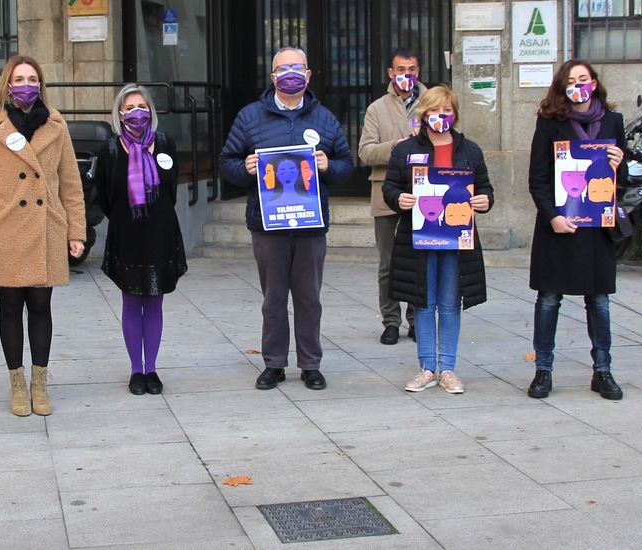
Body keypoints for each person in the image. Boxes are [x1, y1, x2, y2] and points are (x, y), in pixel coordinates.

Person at [219, 47, 354, 391]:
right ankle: (274, 364)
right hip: (268, 224)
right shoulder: (250, 117)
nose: (290, 73)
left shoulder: (324, 118)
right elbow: (227, 162)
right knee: (274, 298)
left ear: (308, 75)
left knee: (309, 298)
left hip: (310, 224)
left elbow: (346, 165)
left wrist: (329, 166)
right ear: (273, 77)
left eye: (297, 67)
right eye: (283, 68)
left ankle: (311, 364)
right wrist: (245, 169)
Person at [0, 55, 88, 416]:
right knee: (10, 307)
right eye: (19, 78)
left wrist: (75, 231)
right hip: (4, 228)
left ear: (41, 84)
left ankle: (40, 382)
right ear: (7, 83)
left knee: (41, 306)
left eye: (33, 78)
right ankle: (17, 384)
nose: (26, 84)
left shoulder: (56, 126)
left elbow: (70, 184)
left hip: (46, 225)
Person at [525, 59, 628, 401]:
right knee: (549, 299)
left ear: (595, 83)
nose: (578, 85)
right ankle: (543, 369)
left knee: (599, 301)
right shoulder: (550, 121)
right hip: (559, 227)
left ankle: (603, 371)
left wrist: (618, 164)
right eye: (571, 81)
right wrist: (552, 215)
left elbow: (620, 183)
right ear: (562, 87)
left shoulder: (613, 121)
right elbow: (538, 177)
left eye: (583, 79)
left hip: (596, 228)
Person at [382, 85, 491, 394]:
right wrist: (398, 198)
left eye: (446, 111)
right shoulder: (404, 150)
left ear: (454, 114)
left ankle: (449, 369)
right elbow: (390, 186)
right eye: (433, 110)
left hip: (457, 239)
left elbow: (484, 187)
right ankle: (427, 367)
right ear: (423, 113)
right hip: (420, 239)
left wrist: (484, 200)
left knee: (450, 302)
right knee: (423, 302)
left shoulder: (470, 150)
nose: (439, 116)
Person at [93, 86, 189, 395]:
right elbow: (104, 194)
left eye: (142, 105)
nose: (137, 111)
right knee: (132, 300)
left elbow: (172, 189)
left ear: (151, 110)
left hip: (160, 232)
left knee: (156, 300)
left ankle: (153, 369)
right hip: (127, 234)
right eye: (130, 106)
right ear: (119, 114)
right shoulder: (109, 150)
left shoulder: (164, 144)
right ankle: (136, 370)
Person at [359, 49, 423, 345]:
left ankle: (416, 319)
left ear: (418, 71)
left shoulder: (432, 103)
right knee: (388, 262)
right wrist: (395, 146)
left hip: (424, 192)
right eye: (400, 69)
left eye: (411, 69)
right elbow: (365, 152)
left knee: (419, 258)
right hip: (385, 190)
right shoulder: (377, 108)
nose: (406, 75)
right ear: (390, 72)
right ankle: (390, 320)